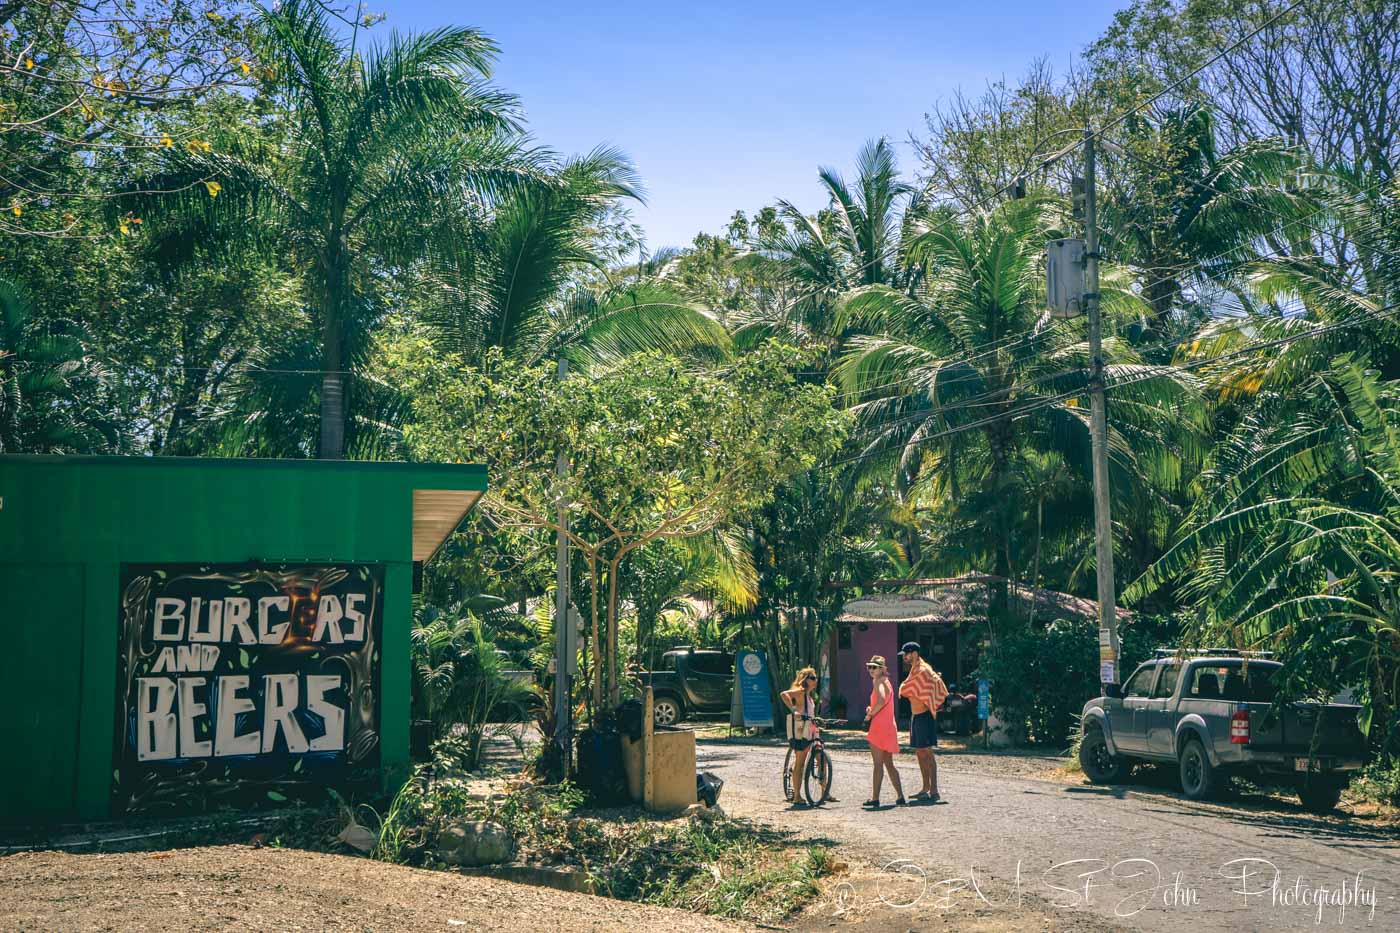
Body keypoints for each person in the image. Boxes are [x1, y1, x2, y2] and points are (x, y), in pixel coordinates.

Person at [898, 641, 949, 802]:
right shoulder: (915, 669)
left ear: (914, 653)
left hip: (924, 716)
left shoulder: (923, 670)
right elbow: (908, 688)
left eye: (906, 654)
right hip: (916, 716)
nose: (904, 657)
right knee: (919, 752)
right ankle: (925, 788)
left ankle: (934, 790)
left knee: (927, 752)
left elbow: (907, 688)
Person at [862, 656, 906, 808]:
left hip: (879, 726)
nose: (871, 670)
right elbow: (882, 702)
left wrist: (869, 714)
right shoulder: (887, 682)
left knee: (878, 764)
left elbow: (880, 701)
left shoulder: (878, 681)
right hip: (889, 725)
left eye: (875, 667)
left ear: (882, 669)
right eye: (870, 667)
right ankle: (900, 796)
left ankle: (875, 798)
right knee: (889, 763)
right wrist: (872, 708)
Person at [780, 667, 819, 806]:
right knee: (800, 763)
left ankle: (825, 791)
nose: (816, 680)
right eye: (813, 678)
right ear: (805, 680)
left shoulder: (808, 695)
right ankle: (797, 796)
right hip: (802, 730)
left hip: (810, 728)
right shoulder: (801, 691)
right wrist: (794, 710)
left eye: (816, 678)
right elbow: (784, 694)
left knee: (820, 757)